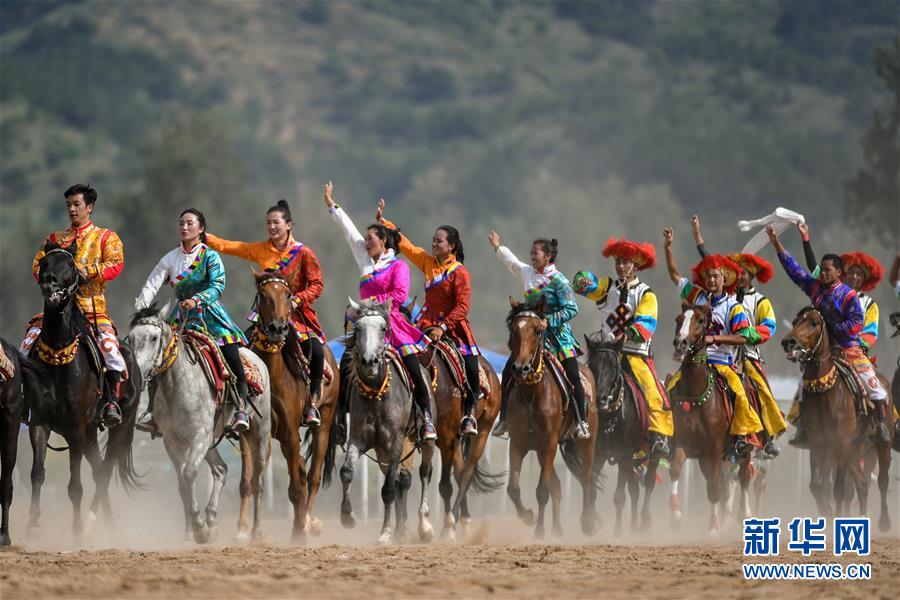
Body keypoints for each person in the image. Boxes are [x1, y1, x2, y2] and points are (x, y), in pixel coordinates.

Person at [324, 182, 437, 441]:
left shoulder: (399, 266)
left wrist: (370, 303)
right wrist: (332, 205)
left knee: (412, 365)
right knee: (344, 364)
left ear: (383, 241)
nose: (365, 242)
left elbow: (399, 296)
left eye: (371, 239)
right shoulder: (364, 260)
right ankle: (340, 422)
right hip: (365, 325)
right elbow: (349, 232)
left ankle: (426, 418)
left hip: (392, 323)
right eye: (366, 239)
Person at [205, 199, 327, 427]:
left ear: (289, 224)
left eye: (276, 222)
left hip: (297, 317)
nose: (272, 227)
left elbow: (317, 284)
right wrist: (206, 238)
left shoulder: (304, 253)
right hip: (266, 317)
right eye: (268, 223)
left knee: (317, 352)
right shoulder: (261, 250)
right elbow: (233, 246)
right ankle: (238, 404)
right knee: (239, 349)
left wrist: (298, 300)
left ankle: (312, 403)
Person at [766, 224, 890, 444]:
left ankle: (880, 426)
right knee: (805, 385)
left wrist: (830, 330)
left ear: (838, 272)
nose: (822, 273)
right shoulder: (815, 288)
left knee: (874, 386)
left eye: (827, 270)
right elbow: (794, 270)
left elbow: (855, 323)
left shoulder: (849, 296)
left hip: (849, 349)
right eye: (821, 270)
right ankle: (803, 426)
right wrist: (776, 244)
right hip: (822, 350)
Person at [135, 209, 252, 434]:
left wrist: (197, 299)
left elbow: (218, 285)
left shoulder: (211, 256)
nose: (184, 227)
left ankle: (240, 408)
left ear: (201, 229)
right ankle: (152, 411)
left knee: (230, 352)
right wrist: (142, 308)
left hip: (210, 314)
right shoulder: (170, 258)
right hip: (180, 317)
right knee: (159, 355)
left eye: (190, 223)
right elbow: (152, 283)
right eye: (181, 223)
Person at [22, 184, 126, 426]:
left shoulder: (106, 237)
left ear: (89, 208)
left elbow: (116, 264)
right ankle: (24, 399)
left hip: (92, 309)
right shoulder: (54, 239)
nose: (71, 209)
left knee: (111, 350)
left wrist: (87, 271)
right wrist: (50, 285)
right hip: (58, 310)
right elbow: (38, 266)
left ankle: (111, 401)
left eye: (76, 204)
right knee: (27, 345)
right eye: (68, 204)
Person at [377, 199, 482, 436]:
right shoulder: (428, 263)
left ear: (452, 246)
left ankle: (470, 414)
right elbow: (407, 246)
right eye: (433, 240)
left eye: (439, 241)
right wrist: (384, 223)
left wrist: (443, 327)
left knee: (472, 368)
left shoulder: (460, 273)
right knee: (405, 357)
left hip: (453, 328)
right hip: (424, 323)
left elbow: (463, 305)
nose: (434, 243)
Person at [662, 227, 764, 458]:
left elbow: (743, 337)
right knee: (668, 389)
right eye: (707, 275)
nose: (711, 279)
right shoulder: (697, 297)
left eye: (716, 275)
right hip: (694, 362)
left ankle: (743, 438)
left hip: (723, 364)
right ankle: (665, 436)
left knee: (740, 392)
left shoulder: (734, 307)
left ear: (725, 278)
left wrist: (714, 338)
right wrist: (667, 248)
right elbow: (675, 276)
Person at [691, 215, 786, 458]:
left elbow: (769, 328)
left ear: (751, 275)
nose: (739, 275)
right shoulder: (725, 297)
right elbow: (709, 260)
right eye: (737, 271)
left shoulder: (761, 301)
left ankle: (764, 437)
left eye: (743, 272)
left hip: (748, 354)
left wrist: (749, 335)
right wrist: (698, 236)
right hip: (719, 354)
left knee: (760, 390)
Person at [573, 236, 673, 457]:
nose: (620, 266)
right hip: (605, 354)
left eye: (625, 262)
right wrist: (582, 280)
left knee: (653, 390)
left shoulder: (646, 294)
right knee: (579, 382)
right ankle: (575, 424)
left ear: (636, 265)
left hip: (634, 354)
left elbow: (646, 324)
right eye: (617, 262)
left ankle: (658, 436)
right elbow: (591, 287)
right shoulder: (608, 287)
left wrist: (625, 334)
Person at [489, 230, 590, 440]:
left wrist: (548, 321)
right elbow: (512, 262)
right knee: (509, 370)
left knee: (573, 374)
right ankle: (505, 419)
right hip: (532, 337)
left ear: (548, 256)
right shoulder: (527, 273)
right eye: (531, 252)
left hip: (557, 337)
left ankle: (581, 421)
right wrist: (498, 248)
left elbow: (572, 309)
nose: (532, 256)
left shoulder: (560, 281)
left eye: (536, 253)